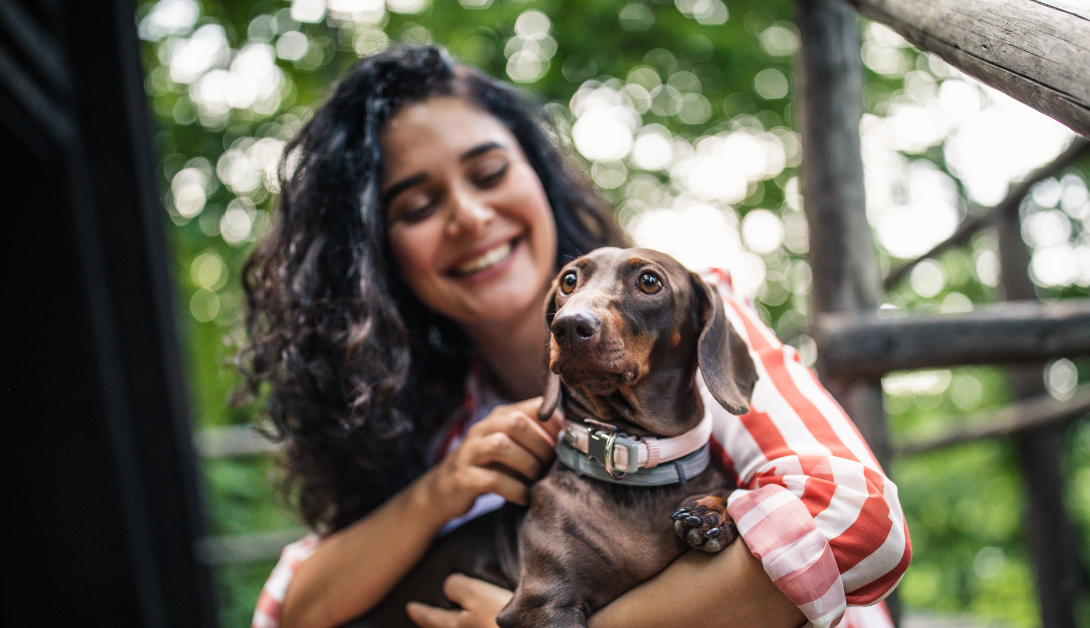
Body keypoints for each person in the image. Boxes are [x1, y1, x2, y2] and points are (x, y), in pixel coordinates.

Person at [242, 45, 909, 628]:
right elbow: (288, 610)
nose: (470, 218)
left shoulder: (686, 311)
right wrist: (438, 492)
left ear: (540, 174)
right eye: (418, 206)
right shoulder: (436, 420)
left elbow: (859, 521)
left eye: (490, 172)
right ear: (379, 255)